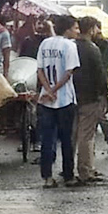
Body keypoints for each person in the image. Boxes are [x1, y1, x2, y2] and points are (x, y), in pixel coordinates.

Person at [36, 15, 80, 188]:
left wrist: (47, 90)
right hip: (65, 99)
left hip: (45, 100)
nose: (77, 31)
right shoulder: (70, 46)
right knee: (67, 139)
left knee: (47, 139)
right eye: (75, 28)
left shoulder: (45, 44)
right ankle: (68, 175)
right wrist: (54, 91)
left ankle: (47, 177)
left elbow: (39, 69)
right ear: (67, 29)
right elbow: (69, 73)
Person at [70, 17, 107, 186]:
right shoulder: (93, 49)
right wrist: (104, 94)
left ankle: (72, 167)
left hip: (72, 95)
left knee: (73, 134)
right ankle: (85, 170)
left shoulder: (71, 46)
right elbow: (99, 75)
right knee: (86, 135)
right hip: (90, 96)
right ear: (91, 29)